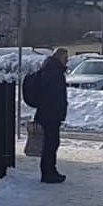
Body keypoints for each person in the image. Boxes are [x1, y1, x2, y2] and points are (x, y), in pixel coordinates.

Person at [32, 47, 69, 184]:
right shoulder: (53, 72)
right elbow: (52, 94)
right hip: (50, 114)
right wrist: (57, 110)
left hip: (48, 113)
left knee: (51, 143)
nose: (67, 61)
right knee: (50, 144)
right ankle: (48, 173)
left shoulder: (50, 69)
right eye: (65, 58)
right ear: (59, 57)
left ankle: (51, 171)